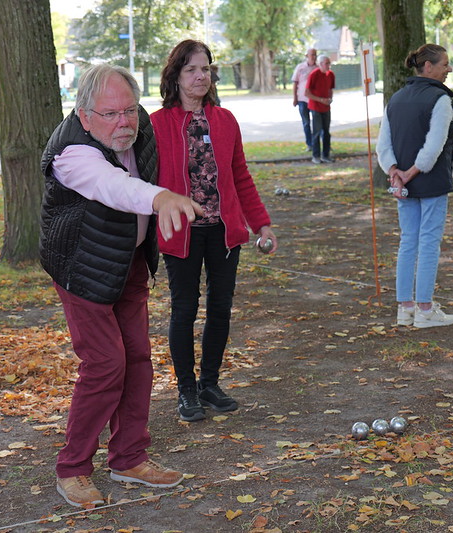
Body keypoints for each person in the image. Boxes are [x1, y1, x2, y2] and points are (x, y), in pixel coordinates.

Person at [39, 64, 203, 508]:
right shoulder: (71, 153)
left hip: (128, 262)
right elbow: (113, 186)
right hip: (82, 268)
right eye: (110, 114)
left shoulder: (138, 124)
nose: (124, 122)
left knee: (137, 358)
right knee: (105, 364)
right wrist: (158, 197)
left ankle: (129, 457)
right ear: (85, 114)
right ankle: (72, 468)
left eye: (129, 110)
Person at [151, 40, 278, 422]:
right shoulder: (157, 123)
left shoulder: (224, 120)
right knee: (184, 310)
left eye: (205, 68)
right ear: (175, 76)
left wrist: (262, 223)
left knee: (220, 309)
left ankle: (209, 383)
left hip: (224, 232)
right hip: (181, 233)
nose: (200, 76)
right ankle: (186, 391)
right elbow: (145, 183)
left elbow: (240, 176)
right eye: (191, 69)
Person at [375, 44, 453, 329]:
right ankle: (424, 309)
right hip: (430, 181)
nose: (449, 69)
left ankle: (405, 308)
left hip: (405, 183)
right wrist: (408, 173)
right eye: (445, 64)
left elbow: (382, 146)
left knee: (408, 241)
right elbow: (434, 146)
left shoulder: (396, 99)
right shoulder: (440, 100)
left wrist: (395, 171)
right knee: (428, 242)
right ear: (427, 67)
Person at [305, 55, 335, 164]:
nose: (328, 65)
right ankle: (316, 155)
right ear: (321, 64)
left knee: (326, 132)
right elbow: (307, 93)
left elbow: (330, 89)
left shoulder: (330, 74)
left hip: (326, 107)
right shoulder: (314, 74)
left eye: (329, 63)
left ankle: (325, 155)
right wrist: (321, 100)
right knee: (317, 132)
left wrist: (330, 99)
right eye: (326, 63)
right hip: (316, 107)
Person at [291, 48, 318, 152]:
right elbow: (295, 83)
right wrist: (295, 98)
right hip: (302, 99)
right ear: (307, 55)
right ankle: (309, 144)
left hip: (314, 99)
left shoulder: (318, 67)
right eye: (312, 55)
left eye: (315, 55)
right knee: (306, 123)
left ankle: (318, 143)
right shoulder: (300, 67)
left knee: (317, 123)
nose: (313, 57)